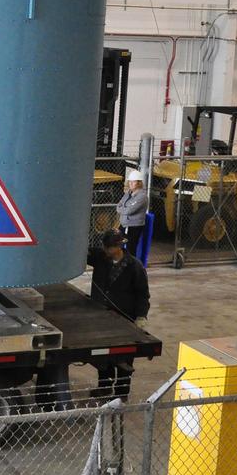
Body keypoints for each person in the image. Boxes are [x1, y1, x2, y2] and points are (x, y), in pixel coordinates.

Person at [87, 230, 151, 401]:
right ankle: (105, 388)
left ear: (118, 247)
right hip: (102, 317)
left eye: (108, 247)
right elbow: (83, 253)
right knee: (103, 355)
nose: (105, 250)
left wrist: (141, 317)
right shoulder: (101, 259)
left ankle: (122, 394)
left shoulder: (134, 267)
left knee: (124, 358)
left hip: (125, 318)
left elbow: (142, 294)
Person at [115, 169, 149, 258]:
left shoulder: (142, 197)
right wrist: (125, 209)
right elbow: (118, 206)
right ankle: (121, 264)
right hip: (124, 224)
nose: (130, 184)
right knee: (117, 244)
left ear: (139, 183)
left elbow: (129, 211)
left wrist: (124, 208)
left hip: (134, 226)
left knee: (131, 248)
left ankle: (131, 267)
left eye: (133, 182)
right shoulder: (128, 193)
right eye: (129, 182)